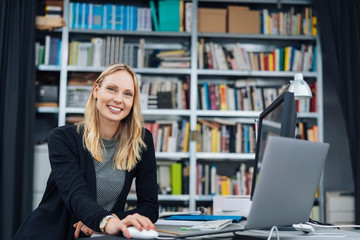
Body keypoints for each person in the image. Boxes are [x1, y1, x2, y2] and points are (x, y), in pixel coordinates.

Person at [14, 63, 159, 239]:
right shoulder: (63, 138)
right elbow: (77, 194)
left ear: (133, 102)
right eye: (112, 89)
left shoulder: (141, 141)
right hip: (49, 234)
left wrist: (107, 219)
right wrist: (103, 221)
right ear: (96, 90)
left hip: (97, 236)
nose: (119, 99)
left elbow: (150, 207)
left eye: (128, 94)